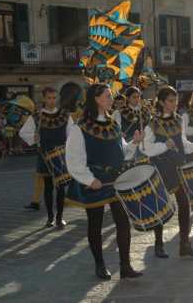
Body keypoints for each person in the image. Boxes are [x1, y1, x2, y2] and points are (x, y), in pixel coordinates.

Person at [66, 83, 143, 280]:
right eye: (108, 96)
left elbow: (122, 152)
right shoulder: (79, 127)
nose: (112, 99)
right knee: (95, 223)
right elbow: (74, 159)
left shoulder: (114, 123)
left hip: (116, 181)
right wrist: (89, 180)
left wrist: (134, 142)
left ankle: (125, 266)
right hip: (96, 182)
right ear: (97, 99)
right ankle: (99, 264)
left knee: (123, 222)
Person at [141, 86, 193, 258]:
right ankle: (158, 244)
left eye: (176, 100)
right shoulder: (152, 123)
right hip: (161, 168)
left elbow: (182, 143)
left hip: (177, 166)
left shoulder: (178, 120)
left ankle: (185, 244)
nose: (175, 103)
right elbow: (146, 149)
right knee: (161, 206)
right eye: (170, 100)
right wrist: (164, 146)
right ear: (161, 102)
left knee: (184, 204)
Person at [19, 87, 73, 228]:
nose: (52, 100)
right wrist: (34, 138)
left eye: (54, 97)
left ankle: (60, 217)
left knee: (61, 187)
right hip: (44, 155)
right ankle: (50, 218)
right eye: (49, 97)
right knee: (48, 187)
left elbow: (72, 134)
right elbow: (23, 132)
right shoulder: (37, 116)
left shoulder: (65, 115)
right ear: (44, 98)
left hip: (61, 155)